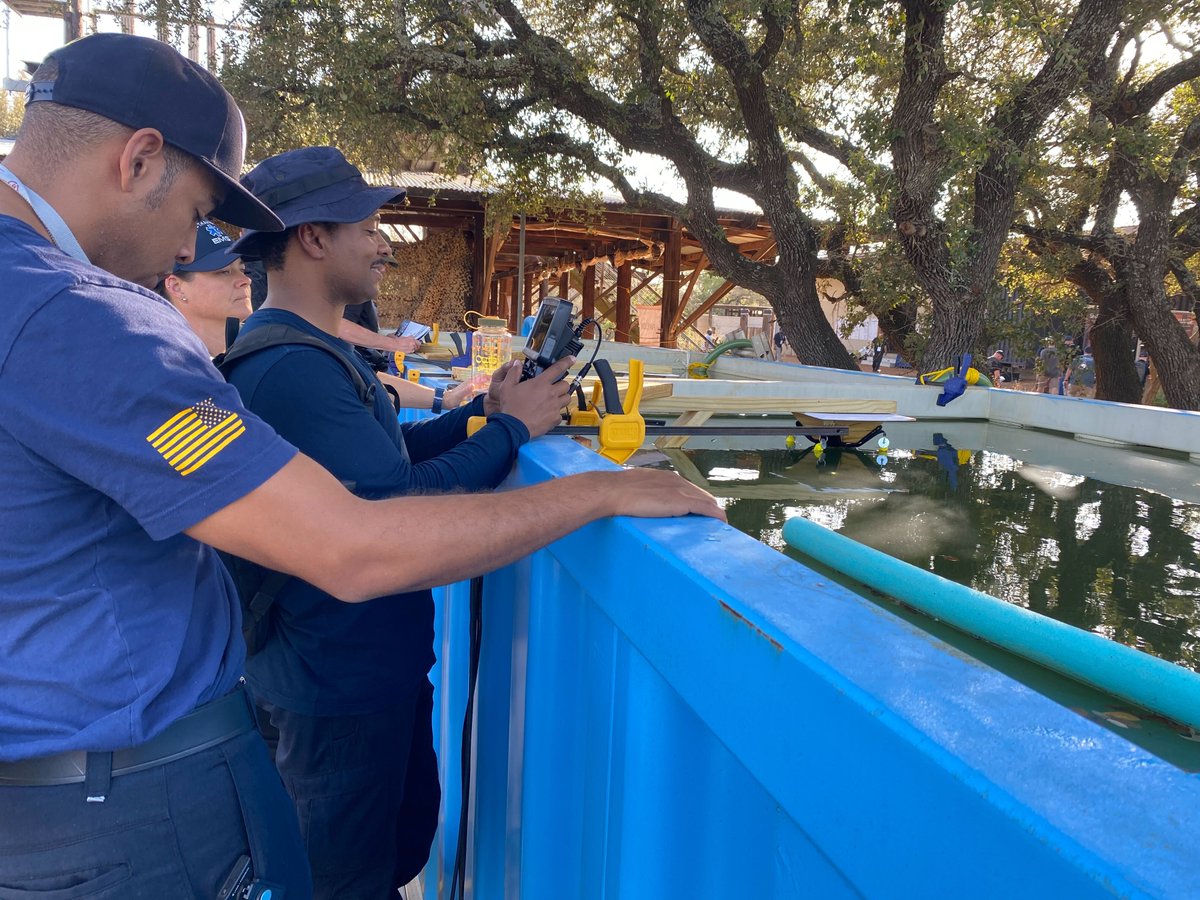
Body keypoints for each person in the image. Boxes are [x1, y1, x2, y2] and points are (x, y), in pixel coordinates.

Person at [0, 35, 723, 899]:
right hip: (129, 796)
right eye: (196, 214)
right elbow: (355, 541)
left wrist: (481, 422)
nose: (190, 250)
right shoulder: (81, 323)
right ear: (140, 158)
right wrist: (598, 492)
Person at [220, 146, 587, 898]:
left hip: (364, 672)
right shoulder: (287, 365)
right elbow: (398, 505)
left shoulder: (319, 351)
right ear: (313, 238)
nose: (384, 242)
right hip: (331, 687)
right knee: (342, 881)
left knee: (390, 855)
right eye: (370, 224)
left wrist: (482, 414)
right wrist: (511, 433)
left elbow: (389, 455)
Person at [156, 219, 252, 356]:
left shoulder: (270, 351)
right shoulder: (161, 363)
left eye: (242, 269)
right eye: (224, 272)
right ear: (176, 287)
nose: (245, 280)